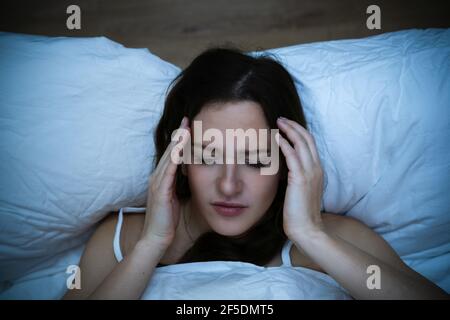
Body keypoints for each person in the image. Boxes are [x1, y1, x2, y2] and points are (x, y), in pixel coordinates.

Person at [63, 47, 447, 300]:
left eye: (255, 159)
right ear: (178, 157)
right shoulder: (120, 241)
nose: (228, 185)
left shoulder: (338, 238)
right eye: (209, 157)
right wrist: (151, 245)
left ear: (288, 162)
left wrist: (311, 235)